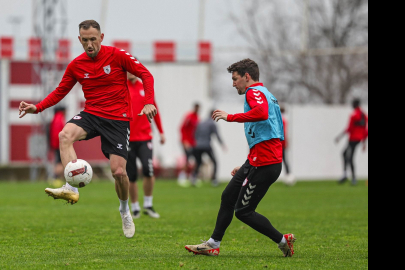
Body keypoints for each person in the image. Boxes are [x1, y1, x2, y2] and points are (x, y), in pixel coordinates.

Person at [18, 20, 157, 239]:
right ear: (79, 40)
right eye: (85, 40)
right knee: (64, 135)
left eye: (93, 39)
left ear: (101, 38)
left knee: (119, 172)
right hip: (92, 113)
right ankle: (71, 188)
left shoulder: (118, 55)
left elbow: (146, 75)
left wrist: (149, 101)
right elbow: (60, 91)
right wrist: (38, 107)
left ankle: (124, 210)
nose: (90, 44)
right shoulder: (76, 65)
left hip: (117, 119)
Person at [185, 59, 296, 257]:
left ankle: (282, 240)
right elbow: (266, 133)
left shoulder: (255, 92)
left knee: (243, 212)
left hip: (265, 163)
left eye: (235, 79)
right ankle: (213, 243)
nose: (233, 83)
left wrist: (230, 117)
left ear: (247, 76)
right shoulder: (267, 94)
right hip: (258, 160)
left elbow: (261, 114)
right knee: (228, 196)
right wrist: (247, 163)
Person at [126, 72, 165, 219]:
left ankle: (148, 204)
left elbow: (155, 111)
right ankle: (135, 207)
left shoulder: (145, 89)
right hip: (128, 138)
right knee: (132, 175)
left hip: (145, 138)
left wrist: (161, 132)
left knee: (148, 171)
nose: (130, 72)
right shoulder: (121, 88)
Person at [335, 98, 368, 185]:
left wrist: (339, 137)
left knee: (349, 157)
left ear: (355, 104)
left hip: (353, 139)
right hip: (359, 139)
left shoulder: (353, 115)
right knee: (345, 154)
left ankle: (352, 177)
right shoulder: (364, 115)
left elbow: (349, 128)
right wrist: (364, 143)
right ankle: (347, 175)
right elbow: (365, 130)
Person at [191, 110, 226, 187]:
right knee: (215, 162)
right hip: (206, 145)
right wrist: (222, 144)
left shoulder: (201, 122)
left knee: (198, 162)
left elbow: (194, 133)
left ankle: (193, 179)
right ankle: (214, 180)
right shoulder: (212, 123)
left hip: (197, 146)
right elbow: (217, 135)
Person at [177, 103, 200, 187]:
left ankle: (192, 178)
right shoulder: (189, 116)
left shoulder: (197, 118)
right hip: (186, 142)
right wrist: (185, 141)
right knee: (188, 159)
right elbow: (182, 128)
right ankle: (181, 177)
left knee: (196, 160)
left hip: (193, 143)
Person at [49, 106, 66, 181]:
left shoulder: (55, 118)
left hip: (56, 144)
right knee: (60, 161)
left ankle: (58, 178)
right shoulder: (59, 119)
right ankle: (55, 178)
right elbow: (58, 134)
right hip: (59, 144)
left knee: (59, 161)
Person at [280, 105, 295, 186]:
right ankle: (289, 175)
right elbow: (284, 133)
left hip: (279, 144)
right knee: (285, 160)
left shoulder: (280, 120)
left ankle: (289, 176)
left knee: (283, 160)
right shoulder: (283, 120)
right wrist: (286, 142)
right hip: (281, 144)